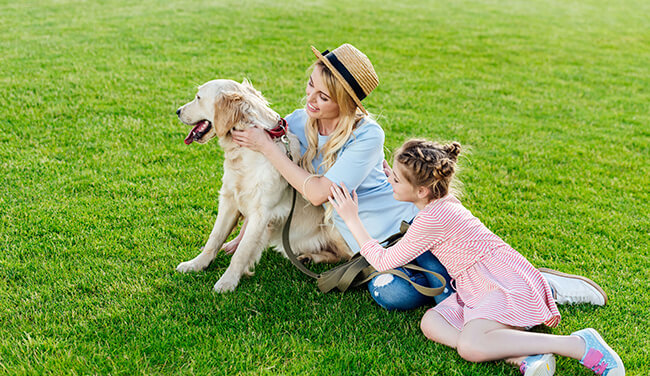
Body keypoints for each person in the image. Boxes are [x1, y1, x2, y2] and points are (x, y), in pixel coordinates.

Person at [230, 43, 607, 311]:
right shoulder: (299, 122)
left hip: (408, 230)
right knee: (392, 295)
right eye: (311, 85)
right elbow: (276, 179)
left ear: (344, 104)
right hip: (372, 249)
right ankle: (492, 287)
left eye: (323, 96)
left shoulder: (367, 135)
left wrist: (268, 147)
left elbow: (316, 192)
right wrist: (249, 230)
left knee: (456, 285)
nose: (310, 99)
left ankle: (543, 286)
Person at [328, 139, 624, 376]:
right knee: (432, 322)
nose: (387, 179)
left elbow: (383, 260)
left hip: (500, 283)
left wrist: (352, 218)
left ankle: (576, 345)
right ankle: (521, 355)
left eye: (394, 178)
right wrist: (398, 177)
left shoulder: (432, 219)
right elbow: (415, 197)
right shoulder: (440, 203)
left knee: (469, 346)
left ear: (421, 191)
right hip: (477, 285)